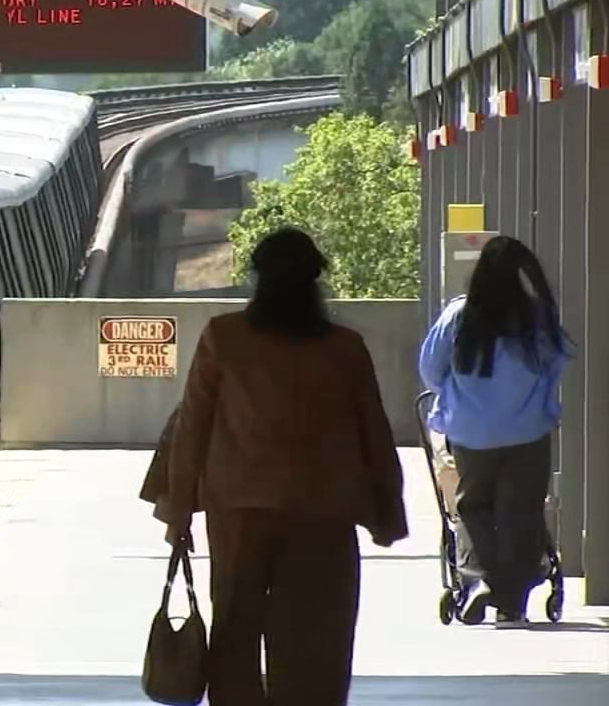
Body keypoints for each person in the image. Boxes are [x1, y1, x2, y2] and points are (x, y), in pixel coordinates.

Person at [141, 227, 408, 706]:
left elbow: (193, 428)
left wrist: (179, 511)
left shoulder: (224, 338)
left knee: (236, 630)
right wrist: (388, 512)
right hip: (324, 516)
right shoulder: (344, 348)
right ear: (315, 282)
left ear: (258, 279)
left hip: (239, 514)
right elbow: (374, 432)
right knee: (318, 637)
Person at [418, 235, 572, 629]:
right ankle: (511, 603)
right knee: (521, 511)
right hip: (527, 429)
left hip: (471, 431)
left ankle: (483, 577)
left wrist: (458, 395)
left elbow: (431, 370)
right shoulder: (535, 318)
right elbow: (555, 363)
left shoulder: (460, 315)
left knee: (474, 506)